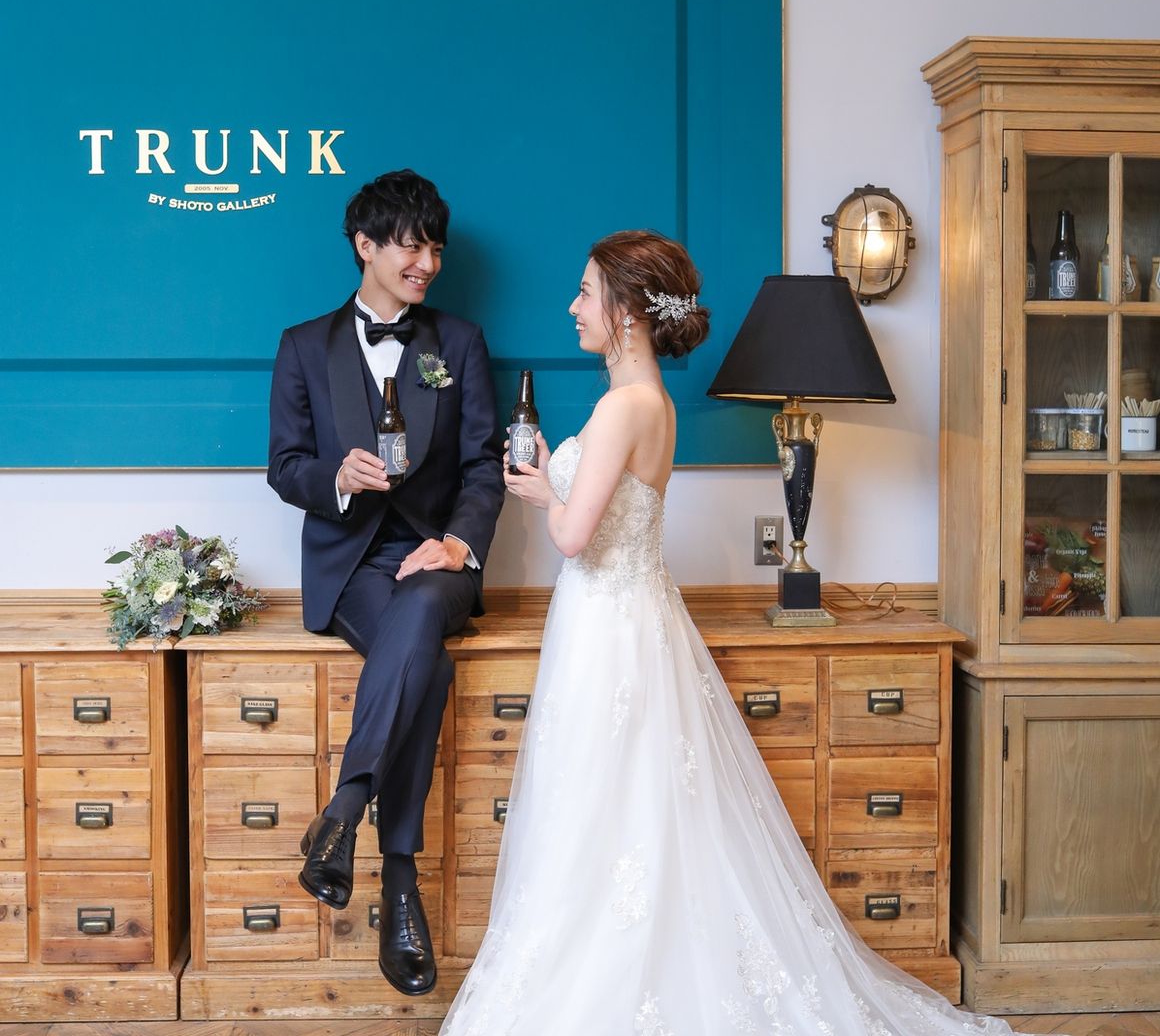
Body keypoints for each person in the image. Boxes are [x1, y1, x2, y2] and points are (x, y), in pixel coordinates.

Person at [439, 230, 1020, 1035]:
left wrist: (541, 492)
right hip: (631, 618)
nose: (574, 306)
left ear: (627, 311)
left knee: (601, 807)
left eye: (585, 292)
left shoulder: (621, 408)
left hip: (608, 629)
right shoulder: (655, 403)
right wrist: (555, 481)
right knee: (636, 807)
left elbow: (572, 538)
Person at [268, 169, 505, 997]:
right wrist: (336, 477)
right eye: (412, 245)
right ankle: (399, 881)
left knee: (426, 609)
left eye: (436, 247)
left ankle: (344, 810)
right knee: (424, 663)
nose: (428, 263)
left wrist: (456, 543)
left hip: (436, 561)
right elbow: (284, 466)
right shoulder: (304, 346)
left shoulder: (459, 343)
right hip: (353, 568)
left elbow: (484, 467)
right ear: (365, 246)